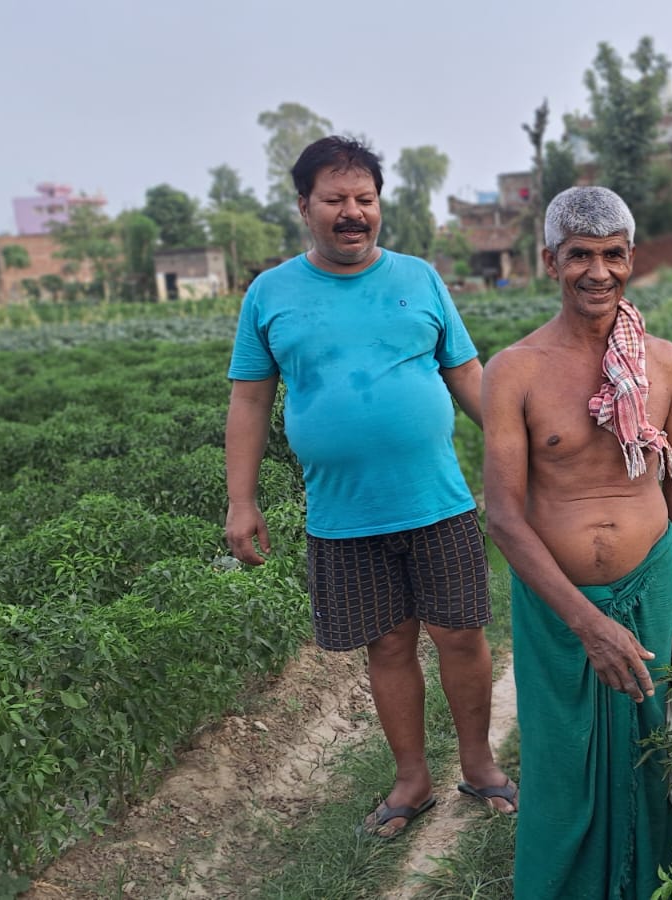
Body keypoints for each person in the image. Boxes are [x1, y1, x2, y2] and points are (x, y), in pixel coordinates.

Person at [224, 135, 517, 837]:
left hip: (436, 502)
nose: (352, 213)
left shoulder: (420, 279)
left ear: (378, 205)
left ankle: (478, 766)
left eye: (365, 199)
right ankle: (411, 780)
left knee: (461, 637)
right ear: (305, 207)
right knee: (385, 646)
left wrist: (525, 456)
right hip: (342, 514)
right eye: (336, 200)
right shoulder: (270, 294)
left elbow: (469, 377)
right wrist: (241, 500)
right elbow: (249, 401)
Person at [481, 186, 672, 899]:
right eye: (580, 255)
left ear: (631, 259)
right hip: (559, 610)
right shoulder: (514, 370)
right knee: (563, 763)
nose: (598, 272)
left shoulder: (664, 365)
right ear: (551, 261)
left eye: (612, 255)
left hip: (653, 586)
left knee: (657, 753)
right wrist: (588, 624)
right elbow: (506, 517)